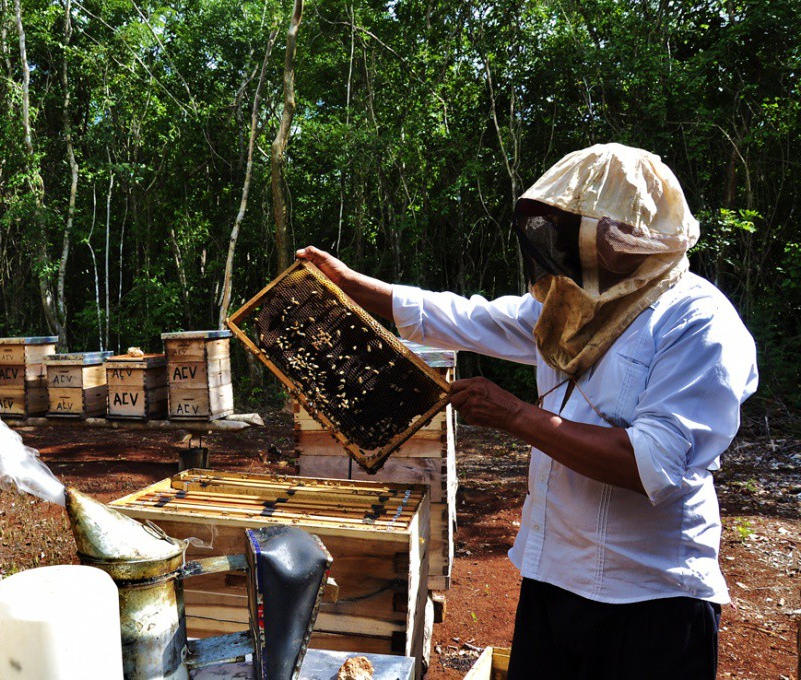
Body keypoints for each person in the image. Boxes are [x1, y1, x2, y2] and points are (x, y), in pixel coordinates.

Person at [297, 143, 758, 680]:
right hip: (553, 575)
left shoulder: (698, 323)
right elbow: (466, 316)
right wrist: (354, 285)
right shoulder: (568, 306)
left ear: (635, 234)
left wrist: (515, 415)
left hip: (650, 598)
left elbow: (648, 463)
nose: (563, 244)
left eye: (580, 228)